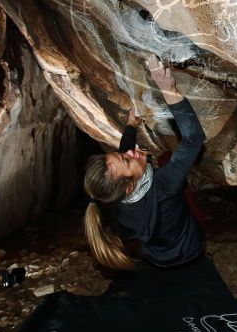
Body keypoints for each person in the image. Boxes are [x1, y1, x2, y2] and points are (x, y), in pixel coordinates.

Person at [82, 54, 206, 271]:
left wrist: (131, 125)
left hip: (156, 256)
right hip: (190, 249)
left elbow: (123, 158)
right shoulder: (162, 187)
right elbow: (193, 139)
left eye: (121, 155)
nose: (132, 151)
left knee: (162, 164)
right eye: (129, 159)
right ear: (129, 187)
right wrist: (168, 88)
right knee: (169, 161)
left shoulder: (113, 197)